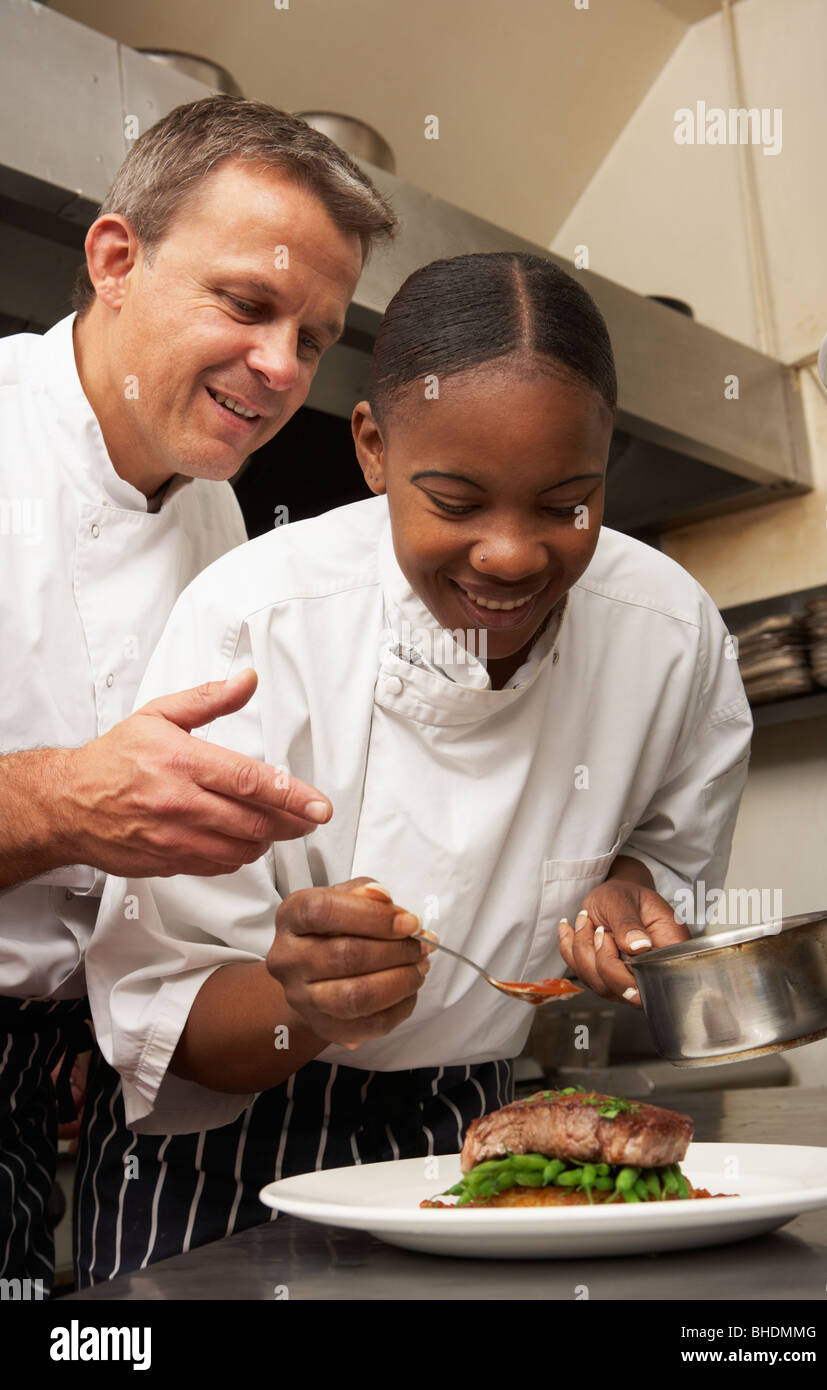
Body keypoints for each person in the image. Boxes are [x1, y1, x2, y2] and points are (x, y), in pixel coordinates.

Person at [78, 251, 752, 1285]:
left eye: (565, 502)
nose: (511, 554)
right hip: (222, 1144)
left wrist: (632, 890)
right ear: (373, 447)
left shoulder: (668, 635)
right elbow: (176, 1035)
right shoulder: (254, 622)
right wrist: (300, 1001)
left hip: (476, 1122)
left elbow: (665, 855)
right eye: (456, 501)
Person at [0, 94, 395, 1287]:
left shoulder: (220, 518)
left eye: (315, 336)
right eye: (246, 303)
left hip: (47, 1083)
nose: (281, 368)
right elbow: (80, 809)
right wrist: (58, 805)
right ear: (115, 261)